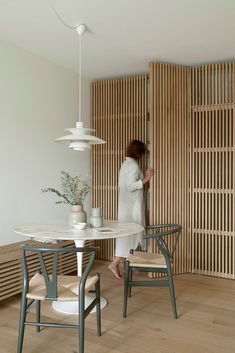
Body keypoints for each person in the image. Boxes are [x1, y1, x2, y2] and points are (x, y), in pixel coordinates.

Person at [108, 140, 154, 279]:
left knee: (127, 235)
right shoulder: (133, 165)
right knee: (130, 234)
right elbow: (130, 186)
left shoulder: (125, 163)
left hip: (125, 205)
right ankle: (116, 263)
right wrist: (146, 178)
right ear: (138, 152)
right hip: (131, 207)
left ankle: (120, 262)